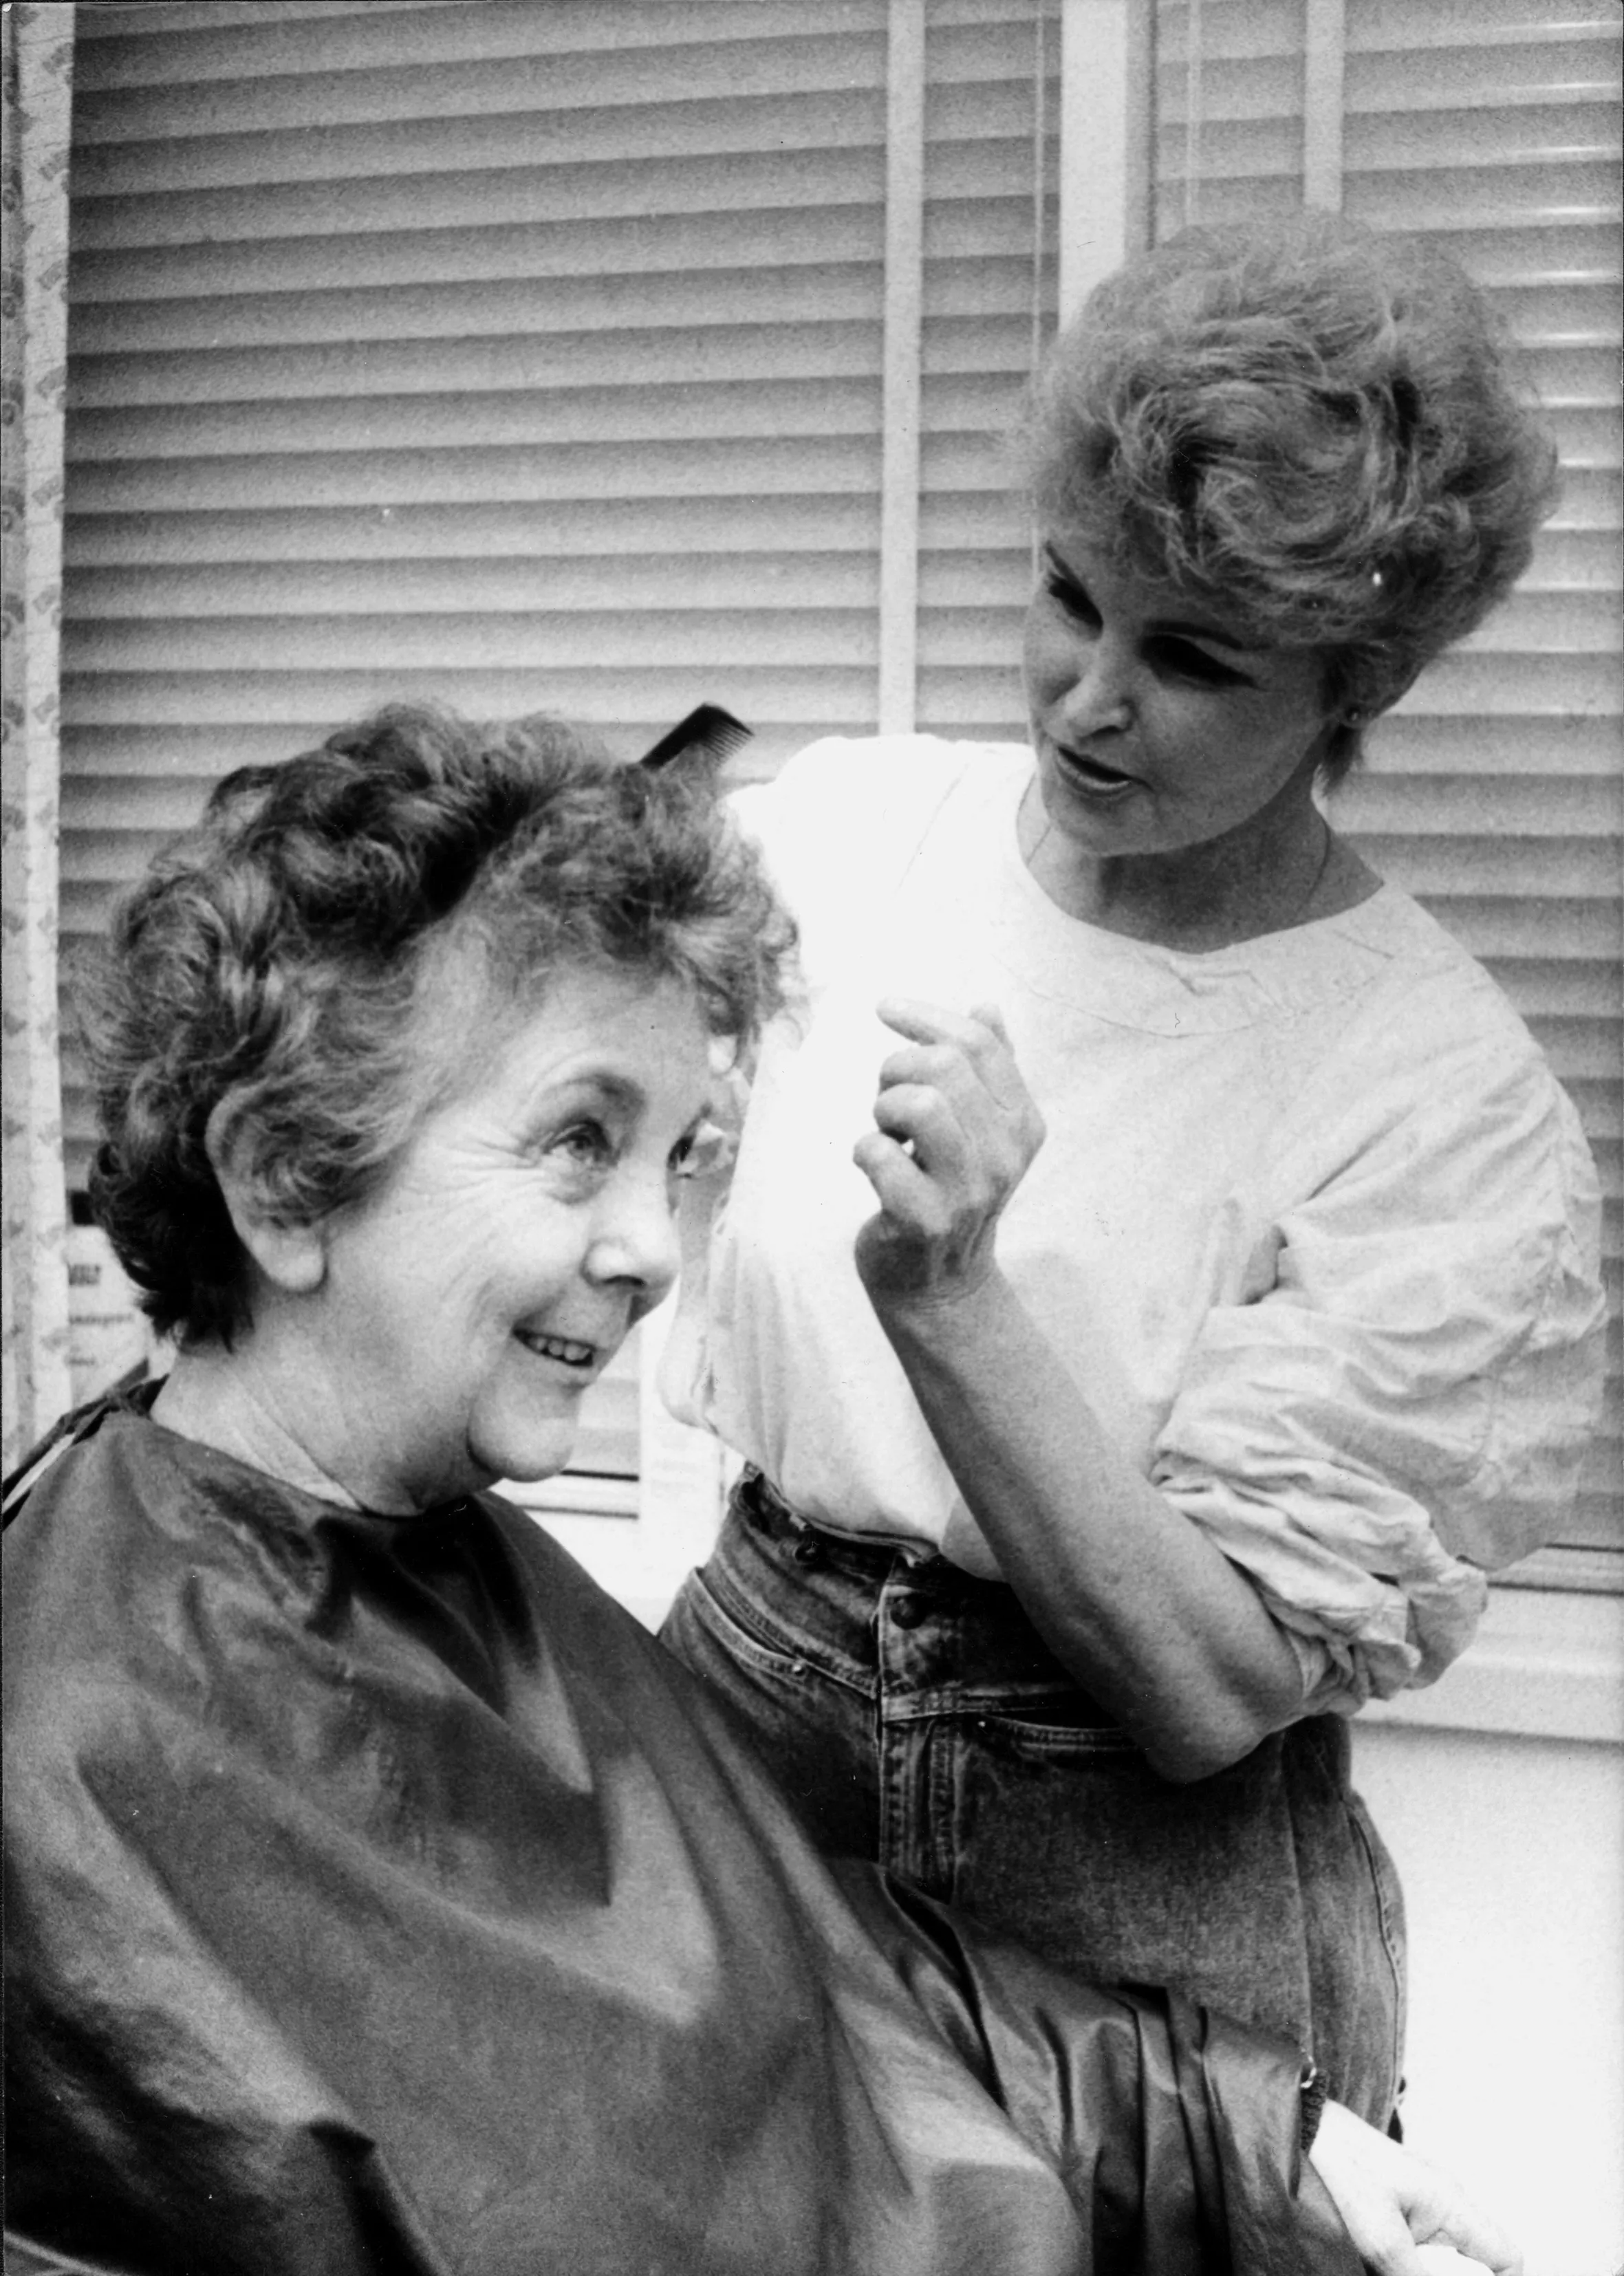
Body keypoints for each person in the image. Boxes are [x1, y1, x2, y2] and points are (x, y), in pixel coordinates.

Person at [3, 704, 1519, 2276]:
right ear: (281, 1178)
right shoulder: (74, 1749)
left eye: (675, 1160)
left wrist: (1254, 2132)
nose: (652, 1252)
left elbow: (813, 1970)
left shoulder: (455, 1561)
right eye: (577, 1141)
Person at [659, 215, 1607, 2129]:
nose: (1089, 696)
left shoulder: (1436, 1097)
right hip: (741, 1726)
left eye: (1192, 657)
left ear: (1353, 686)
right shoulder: (843, 836)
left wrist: (953, 1300)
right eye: (1069, 596)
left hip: (1127, 1861)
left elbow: (1204, 1688)